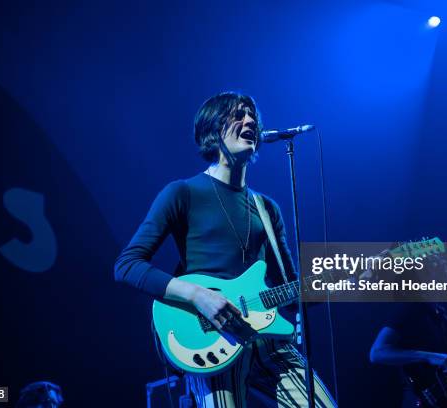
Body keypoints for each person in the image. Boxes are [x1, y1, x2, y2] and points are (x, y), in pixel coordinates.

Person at [115, 92, 335, 407]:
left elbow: (293, 292)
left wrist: (352, 276)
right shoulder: (182, 193)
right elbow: (127, 265)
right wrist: (197, 295)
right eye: (237, 115)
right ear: (212, 129)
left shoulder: (266, 208)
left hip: (269, 340)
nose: (249, 121)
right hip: (213, 336)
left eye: (252, 117)